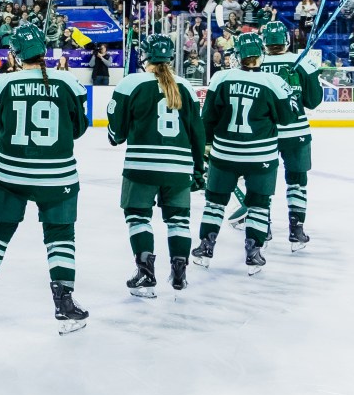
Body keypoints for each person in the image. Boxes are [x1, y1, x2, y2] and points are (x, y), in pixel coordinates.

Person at [0, 24, 91, 334]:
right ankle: (64, 301)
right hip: (57, 176)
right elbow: (78, 129)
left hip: (10, 173)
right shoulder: (67, 82)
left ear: (16, 54)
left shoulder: (3, 85)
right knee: (60, 235)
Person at [106, 35, 206, 296]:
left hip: (142, 165)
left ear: (145, 56)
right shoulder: (185, 86)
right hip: (179, 166)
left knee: (138, 217)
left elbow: (117, 131)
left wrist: (115, 135)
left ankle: (146, 272)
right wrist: (197, 169)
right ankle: (179, 272)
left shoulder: (131, 83)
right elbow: (197, 133)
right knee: (178, 220)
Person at [193, 31, 298, 274]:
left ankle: (205, 246)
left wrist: (205, 147)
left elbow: (207, 118)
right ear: (261, 55)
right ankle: (254, 252)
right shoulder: (273, 82)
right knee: (259, 205)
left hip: (225, 155)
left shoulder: (221, 78)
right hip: (261, 157)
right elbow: (288, 117)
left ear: (238, 56)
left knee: (215, 202)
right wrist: (289, 87)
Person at [228, 22, 320, 248]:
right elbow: (313, 101)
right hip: (296, 133)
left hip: (262, 136)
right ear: (286, 40)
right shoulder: (303, 63)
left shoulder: (254, 62)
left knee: (259, 184)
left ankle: (263, 226)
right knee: (297, 181)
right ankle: (296, 229)